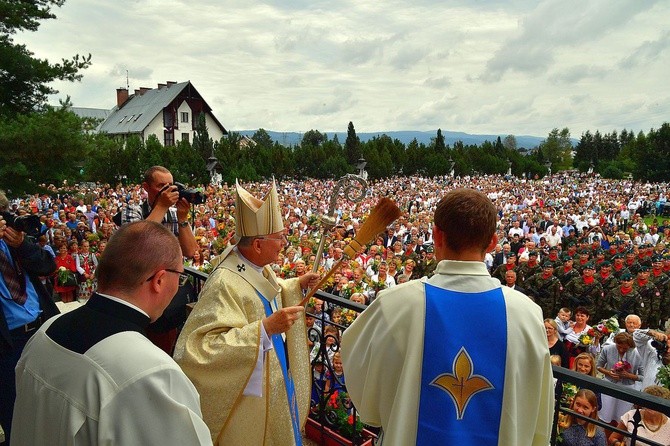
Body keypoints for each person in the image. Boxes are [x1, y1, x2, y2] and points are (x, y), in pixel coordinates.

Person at [341, 188, 554, 445]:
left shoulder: (395, 304)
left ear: (436, 236)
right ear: (493, 242)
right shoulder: (527, 314)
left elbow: (363, 384)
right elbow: (539, 412)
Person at [11, 221, 212, 445]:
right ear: (159, 280)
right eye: (180, 277)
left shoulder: (44, 332)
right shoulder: (151, 372)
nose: (179, 285)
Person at [173, 180, 319, 446]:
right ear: (259, 245)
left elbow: (264, 293)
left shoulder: (256, 265)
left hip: (270, 380)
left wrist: (295, 286)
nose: (284, 243)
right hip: (248, 397)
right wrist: (264, 330)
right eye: (279, 237)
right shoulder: (224, 283)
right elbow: (200, 349)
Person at [0, 191, 59, 444]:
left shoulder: (13, 240)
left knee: (53, 404)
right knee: (15, 412)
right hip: (8, 344)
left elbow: (47, 266)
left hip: (42, 329)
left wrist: (22, 244)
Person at [595, 332, 644, 425]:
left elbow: (642, 377)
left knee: (622, 418)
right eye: (619, 347)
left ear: (630, 346)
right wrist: (608, 372)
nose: (621, 350)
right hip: (609, 384)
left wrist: (629, 375)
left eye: (625, 348)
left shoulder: (637, 354)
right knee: (605, 415)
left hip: (627, 388)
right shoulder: (607, 349)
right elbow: (598, 366)